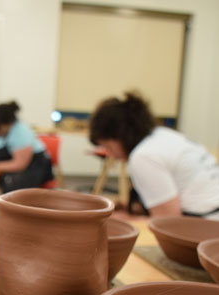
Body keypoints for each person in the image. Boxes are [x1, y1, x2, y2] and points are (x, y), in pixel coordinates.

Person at [89, 92, 219, 219]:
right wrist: (131, 210)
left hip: (207, 226)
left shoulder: (143, 156)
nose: (110, 154)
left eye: (109, 147)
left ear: (121, 135)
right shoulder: (163, 135)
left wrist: (126, 218)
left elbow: (169, 221)